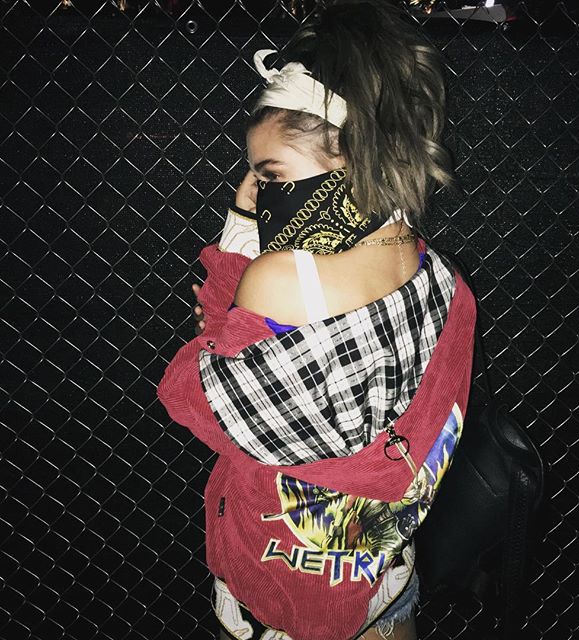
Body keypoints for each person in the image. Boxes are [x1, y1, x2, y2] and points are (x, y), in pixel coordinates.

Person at [157, 2, 476, 639]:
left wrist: (240, 243)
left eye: (272, 174)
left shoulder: (282, 279)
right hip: (381, 571)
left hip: (290, 593)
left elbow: (193, 396)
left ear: (353, 157)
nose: (260, 193)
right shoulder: (434, 271)